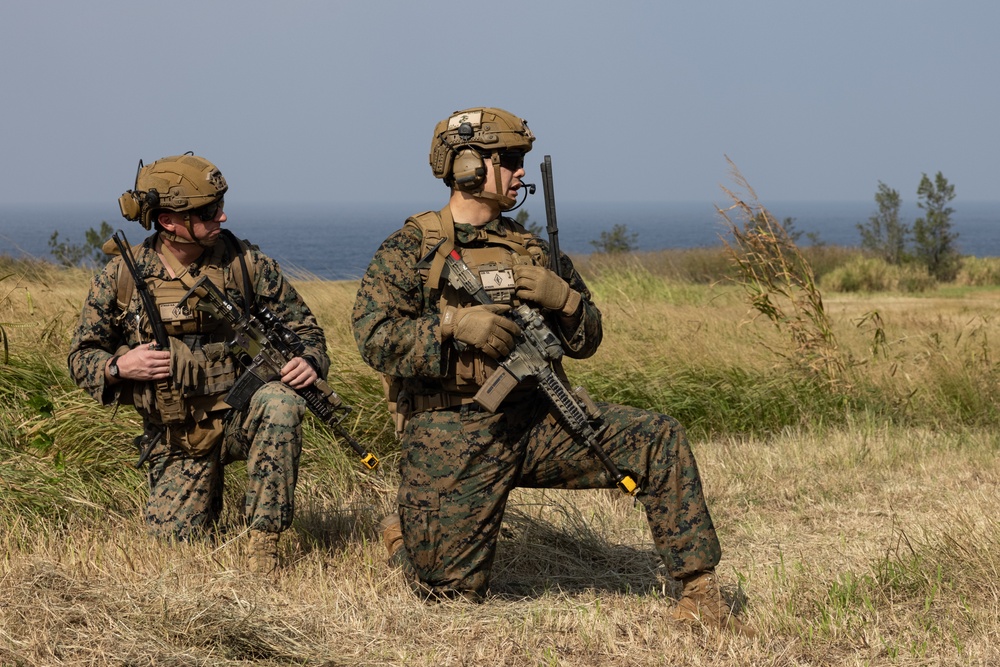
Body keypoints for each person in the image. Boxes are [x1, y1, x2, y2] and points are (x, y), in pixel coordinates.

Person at [352, 108, 753, 635]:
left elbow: (587, 338)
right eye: (511, 161)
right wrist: (452, 327)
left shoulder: (533, 248)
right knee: (447, 594)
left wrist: (562, 298)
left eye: (522, 162)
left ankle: (699, 590)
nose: (520, 173)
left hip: (538, 421)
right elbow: (372, 335)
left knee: (657, 438)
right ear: (470, 165)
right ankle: (406, 534)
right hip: (449, 433)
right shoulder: (414, 247)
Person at [68, 153, 329, 574]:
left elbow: (306, 331)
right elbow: (81, 356)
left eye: (218, 205)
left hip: (240, 419)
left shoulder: (246, 265)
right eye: (206, 212)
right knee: (174, 556)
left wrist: (309, 361)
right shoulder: (123, 276)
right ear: (169, 220)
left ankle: (263, 545)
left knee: (281, 404)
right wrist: (119, 366)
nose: (220, 216)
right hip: (176, 435)